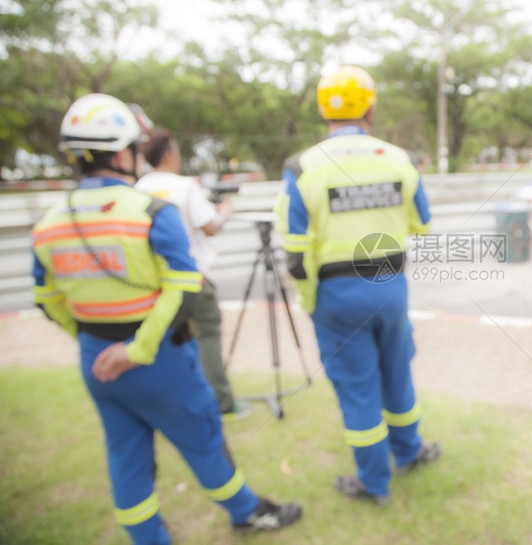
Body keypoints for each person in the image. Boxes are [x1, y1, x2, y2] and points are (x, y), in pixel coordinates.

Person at [31, 93, 302, 543]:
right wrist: (136, 350)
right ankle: (247, 512)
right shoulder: (152, 213)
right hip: (160, 358)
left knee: (125, 455)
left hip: (96, 359)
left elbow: (48, 300)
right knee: (204, 440)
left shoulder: (49, 223)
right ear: (122, 153)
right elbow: (183, 286)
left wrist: (92, 340)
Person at [274, 66, 440, 505]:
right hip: (389, 286)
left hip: (335, 294)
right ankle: (408, 452)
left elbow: (294, 251)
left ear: (323, 109)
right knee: (397, 372)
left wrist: (310, 301)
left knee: (357, 387)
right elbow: (422, 225)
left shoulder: (301, 166)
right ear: (370, 105)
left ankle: (373, 482)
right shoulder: (398, 159)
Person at [136, 128, 250, 420]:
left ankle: (172, 400)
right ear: (170, 154)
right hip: (191, 278)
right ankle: (222, 401)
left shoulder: (138, 188)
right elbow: (209, 226)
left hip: (153, 281)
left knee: (167, 340)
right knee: (208, 333)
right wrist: (224, 211)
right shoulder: (185, 186)